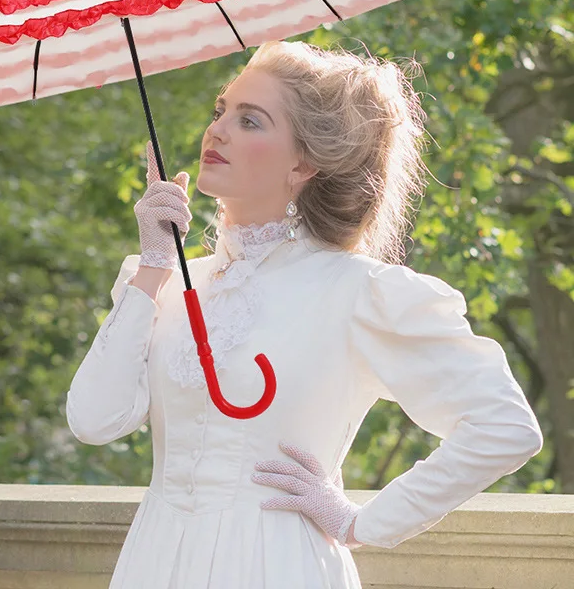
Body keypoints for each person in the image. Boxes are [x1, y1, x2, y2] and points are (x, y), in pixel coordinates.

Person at [66, 39, 544, 588]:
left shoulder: (358, 292)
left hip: (277, 565)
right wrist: (153, 262)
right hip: (155, 564)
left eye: (250, 121)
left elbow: (504, 427)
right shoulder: (167, 281)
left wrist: (363, 522)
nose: (216, 130)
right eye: (221, 111)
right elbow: (94, 419)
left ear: (304, 161)